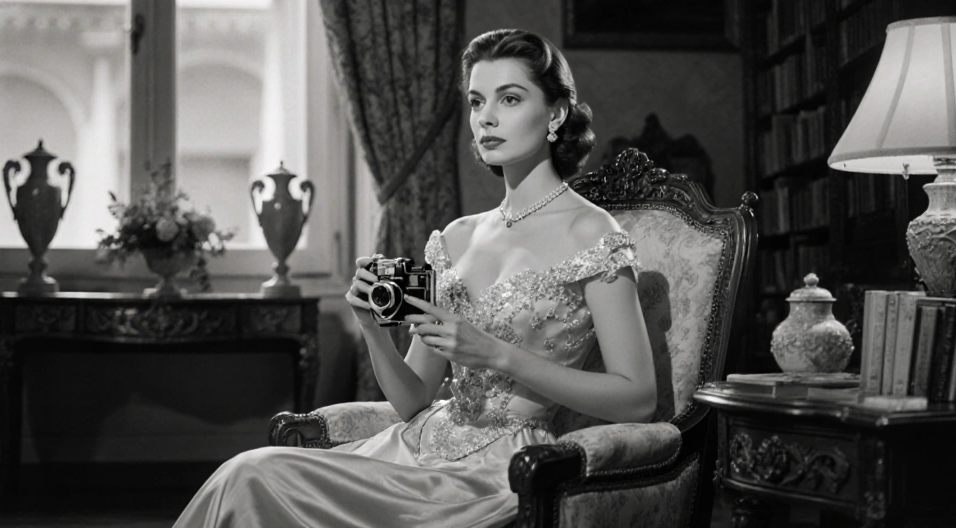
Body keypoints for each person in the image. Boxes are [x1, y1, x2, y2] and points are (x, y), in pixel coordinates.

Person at [174, 29, 658, 527]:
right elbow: (412, 399)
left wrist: (496, 354)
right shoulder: (456, 237)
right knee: (244, 475)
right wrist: (371, 328)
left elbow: (638, 398)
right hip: (413, 446)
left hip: (497, 469)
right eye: (476, 101)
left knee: (254, 475)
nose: (486, 117)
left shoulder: (592, 231)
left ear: (556, 114)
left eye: (509, 99)